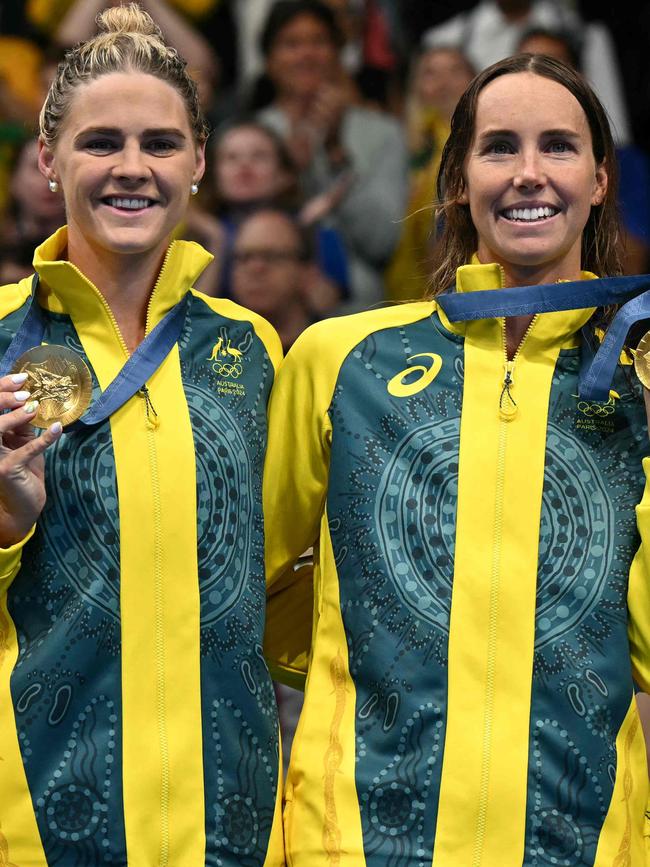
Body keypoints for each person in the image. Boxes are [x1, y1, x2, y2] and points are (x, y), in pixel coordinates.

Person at [263, 53, 650, 865]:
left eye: (560, 146)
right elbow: (238, 588)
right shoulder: (341, 359)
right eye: (500, 147)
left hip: (581, 841)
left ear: (601, 180)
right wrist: (376, 639)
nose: (529, 174)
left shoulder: (639, 385)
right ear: (458, 182)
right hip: (358, 840)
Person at [0, 5, 284, 865]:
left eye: (160, 143)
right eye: (101, 143)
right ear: (49, 159)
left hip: (231, 818)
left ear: (200, 159)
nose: (133, 168)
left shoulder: (252, 347)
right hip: (35, 817)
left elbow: (279, 579)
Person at [256, 0, 408, 310]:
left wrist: (337, 154)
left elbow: (382, 242)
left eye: (319, 42)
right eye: (291, 43)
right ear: (269, 60)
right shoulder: (248, 134)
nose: (306, 54)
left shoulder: (383, 133)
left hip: (355, 310)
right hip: (261, 306)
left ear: (339, 54)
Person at [231, 208, 316, 352]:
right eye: (244, 257)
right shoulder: (215, 351)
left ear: (306, 272)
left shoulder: (334, 348)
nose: (255, 269)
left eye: (271, 256)